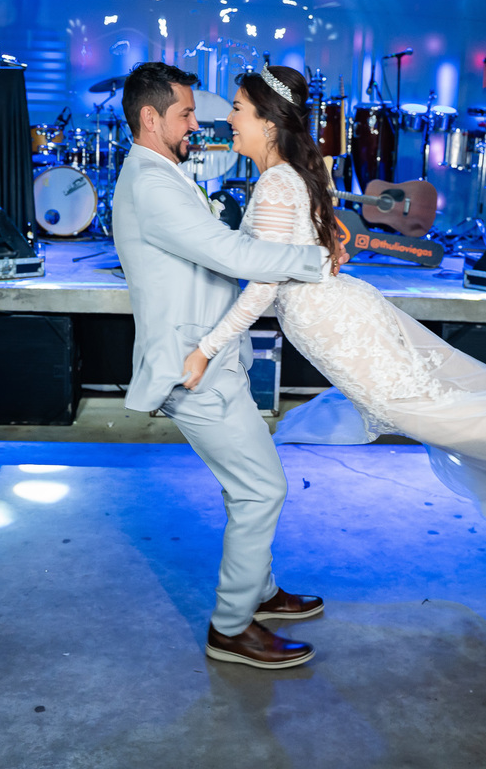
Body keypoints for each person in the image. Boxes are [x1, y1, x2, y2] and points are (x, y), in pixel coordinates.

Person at [181, 65, 486, 523]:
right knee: (443, 400)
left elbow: (266, 283)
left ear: (268, 120)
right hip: (336, 315)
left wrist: (206, 348)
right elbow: (310, 248)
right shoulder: (291, 176)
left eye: (237, 109)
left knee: (435, 409)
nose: (227, 120)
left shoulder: (277, 183)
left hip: (336, 326)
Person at [111, 62, 338, 670]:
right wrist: (316, 259)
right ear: (150, 117)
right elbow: (228, 250)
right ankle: (231, 627)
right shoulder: (150, 183)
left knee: (251, 484)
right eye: (186, 113)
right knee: (262, 489)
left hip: (216, 358)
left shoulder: (163, 171)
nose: (199, 123)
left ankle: (260, 593)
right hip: (194, 367)